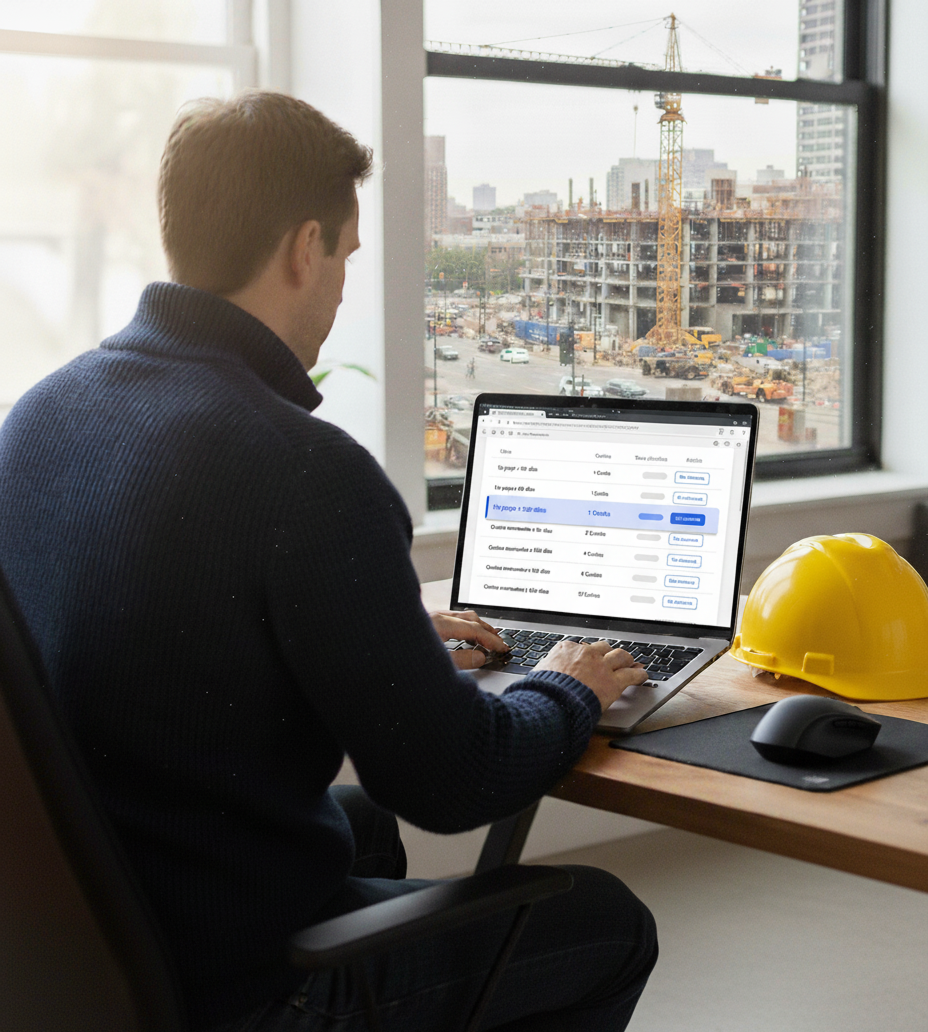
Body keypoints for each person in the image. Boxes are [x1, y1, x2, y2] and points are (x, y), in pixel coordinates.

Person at [0, 92, 657, 1032]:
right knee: (603, 922)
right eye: (347, 256)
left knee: (359, 826)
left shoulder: (39, 415)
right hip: (227, 983)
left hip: (85, 940)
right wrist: (567, 683)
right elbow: (455, 782)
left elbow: (144, 612)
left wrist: (374, 619)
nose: (344, 287)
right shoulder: (304, 470)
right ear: (305, 247)